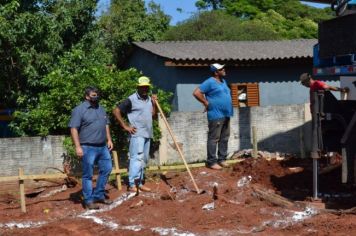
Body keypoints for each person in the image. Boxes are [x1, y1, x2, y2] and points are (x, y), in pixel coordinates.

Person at [69, 86, 113, 210]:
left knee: (107, 169)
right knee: (88, 175)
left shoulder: (101, 109)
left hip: (103, 147)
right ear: (87, 96)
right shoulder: (79, 110)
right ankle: (88, 200)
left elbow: (106, 125)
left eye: (97, 94)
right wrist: (78, 147)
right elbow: (73, 128)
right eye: (93, 95)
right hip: (87, 147)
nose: (96, 96)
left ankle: (98, 195)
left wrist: (109, 139)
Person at [113, 76, 157, 192]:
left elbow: (153, 115)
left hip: (148, 133)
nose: (144, 89)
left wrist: (154, 104)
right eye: (142, 87)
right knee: (136, 158)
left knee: (144, 159)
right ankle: (132, 184)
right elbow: (116, 111)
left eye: (146, 87)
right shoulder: (131, 99)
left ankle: (140, 183)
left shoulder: (149, 99)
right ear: (138, 87)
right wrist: (125, 126)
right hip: (137, 134)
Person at [193, 63, 234, 170]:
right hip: (216, 114)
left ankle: (222, 159)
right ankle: (211, 162)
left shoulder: (223, 81)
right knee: (214, 138)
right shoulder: (210, 82)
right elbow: (197, 93)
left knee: (224, 137)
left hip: (226, 114)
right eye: (221, 69)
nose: (224, 69)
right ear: (216, 72)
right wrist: (205, 102)